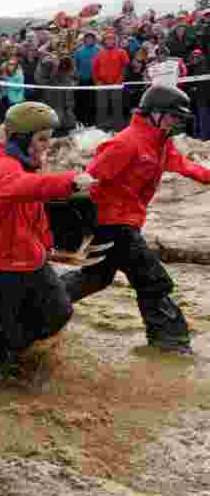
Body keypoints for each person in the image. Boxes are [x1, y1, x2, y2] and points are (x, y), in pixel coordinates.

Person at [62, 86, 210, 355]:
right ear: (154, 113)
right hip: (112, 224)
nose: (176, 123)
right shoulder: (125, 143)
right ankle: (171, 345)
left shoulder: (162, 143)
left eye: (179, 119)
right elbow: (89, 180)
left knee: (96, 278)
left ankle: (38, 301)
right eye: (172, 117)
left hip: (127, 221)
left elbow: (186, 167)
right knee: (153, 280)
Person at [0, 102, 97, 380]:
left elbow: (35, 211)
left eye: (48, 138)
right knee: (11, 335)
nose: (47, 145)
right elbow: (23, 188)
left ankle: (9, 355)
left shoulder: (26, 167)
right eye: (41, 139)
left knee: (59, 312)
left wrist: (47, 244)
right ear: (22, 139)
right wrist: (70, 183)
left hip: (29, 260)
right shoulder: (3, 167)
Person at [93, 32, 131, 130]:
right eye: (107, 39)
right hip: (103, 84)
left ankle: (118, 128)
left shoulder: (121, 52)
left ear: (115, 41)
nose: (109, 41)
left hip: (117, 84)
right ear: (104, 41)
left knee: (117, 106)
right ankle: (101, 128)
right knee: (101, 106)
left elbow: (125, 67)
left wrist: (120, 80)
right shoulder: (99, 53)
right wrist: (97, 81)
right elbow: (95, 68)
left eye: (111, 39)